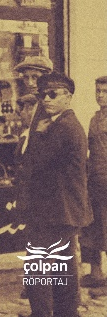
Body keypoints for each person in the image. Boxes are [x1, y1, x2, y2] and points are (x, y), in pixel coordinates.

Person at [21, 72, 92, 317]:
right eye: (43, 95)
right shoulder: (61, 124)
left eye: (53, 94)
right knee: (64, 268)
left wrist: (37, 134)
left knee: (36, 268)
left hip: (54, 211)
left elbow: (35, 162)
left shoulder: (63, 128)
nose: (46, 99)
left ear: (68, 97)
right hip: (63, 210)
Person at [80, 76, 107, 291]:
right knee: (93, 226)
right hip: (95, 180)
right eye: (98, 91)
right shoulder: (94, 119)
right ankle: (96, 273)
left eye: (105, 91)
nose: (100, 95)